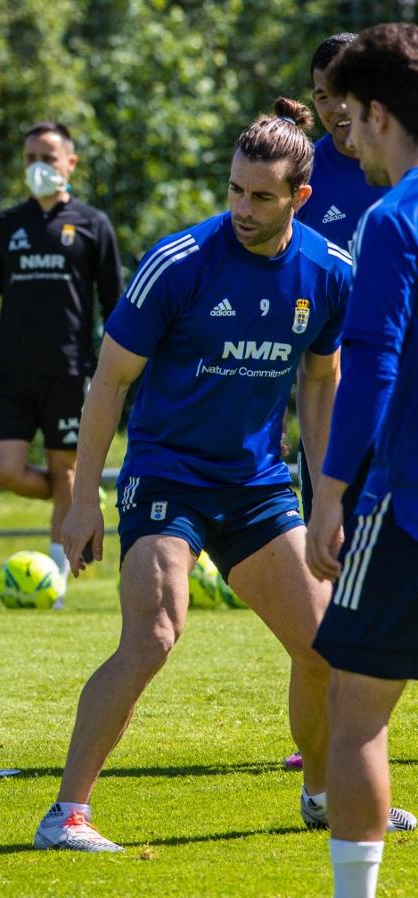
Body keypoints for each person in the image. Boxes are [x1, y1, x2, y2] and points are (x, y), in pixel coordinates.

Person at [38, 97, 414, 853]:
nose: (243, 208)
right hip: (166, 477)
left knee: (325, 648)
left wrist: (326, 495)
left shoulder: (328, 273)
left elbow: (321, 380)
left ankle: (321, 794)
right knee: (155, 633)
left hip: (257, 486)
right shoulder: (178, 263)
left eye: (262, 196)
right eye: (236, 190)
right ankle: (66, 815)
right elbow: (108, 382)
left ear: (300, 197)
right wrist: (83, 501)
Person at [305, 23, 418, 898]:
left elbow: (371, 361)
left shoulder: (393, 218)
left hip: (406, 506)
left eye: (349, 118)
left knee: (356, 714)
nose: (348, 138)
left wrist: (331, 492)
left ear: (379, 114)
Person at [284, 31, 393, 773]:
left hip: (399, 403)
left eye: (343, 94)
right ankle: (329, 740)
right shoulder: (305, 176)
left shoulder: (398, 171)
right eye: (321, 96)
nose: (333, 110)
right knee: (331, 578)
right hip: (333, 402)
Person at [0, 122, 122, 591]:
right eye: (30, 158)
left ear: (70, 163)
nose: (38, 166)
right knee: (3, 469)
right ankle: (70, 495)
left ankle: (55, 583)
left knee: (66, 469)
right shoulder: (5, 226)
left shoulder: (93, 225)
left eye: (48, 158)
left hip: (69, 373)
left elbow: (115, 305)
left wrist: (115, 370)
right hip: (11, 374)